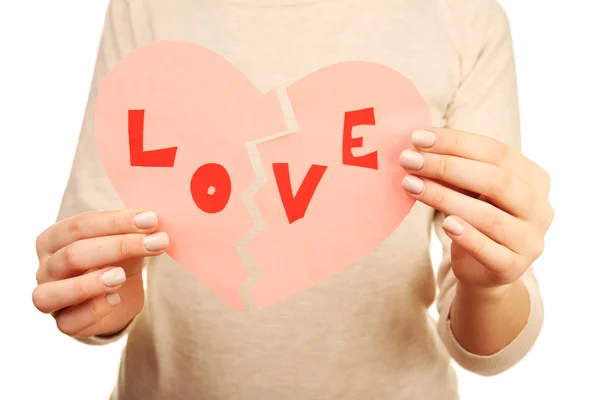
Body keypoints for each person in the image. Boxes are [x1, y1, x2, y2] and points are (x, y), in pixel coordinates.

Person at [32, 0, 554, 399]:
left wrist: (488, 288)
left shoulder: (462, 16)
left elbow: (491, 348)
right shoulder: (145, 8)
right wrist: (101, 299)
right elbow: (97, 271)